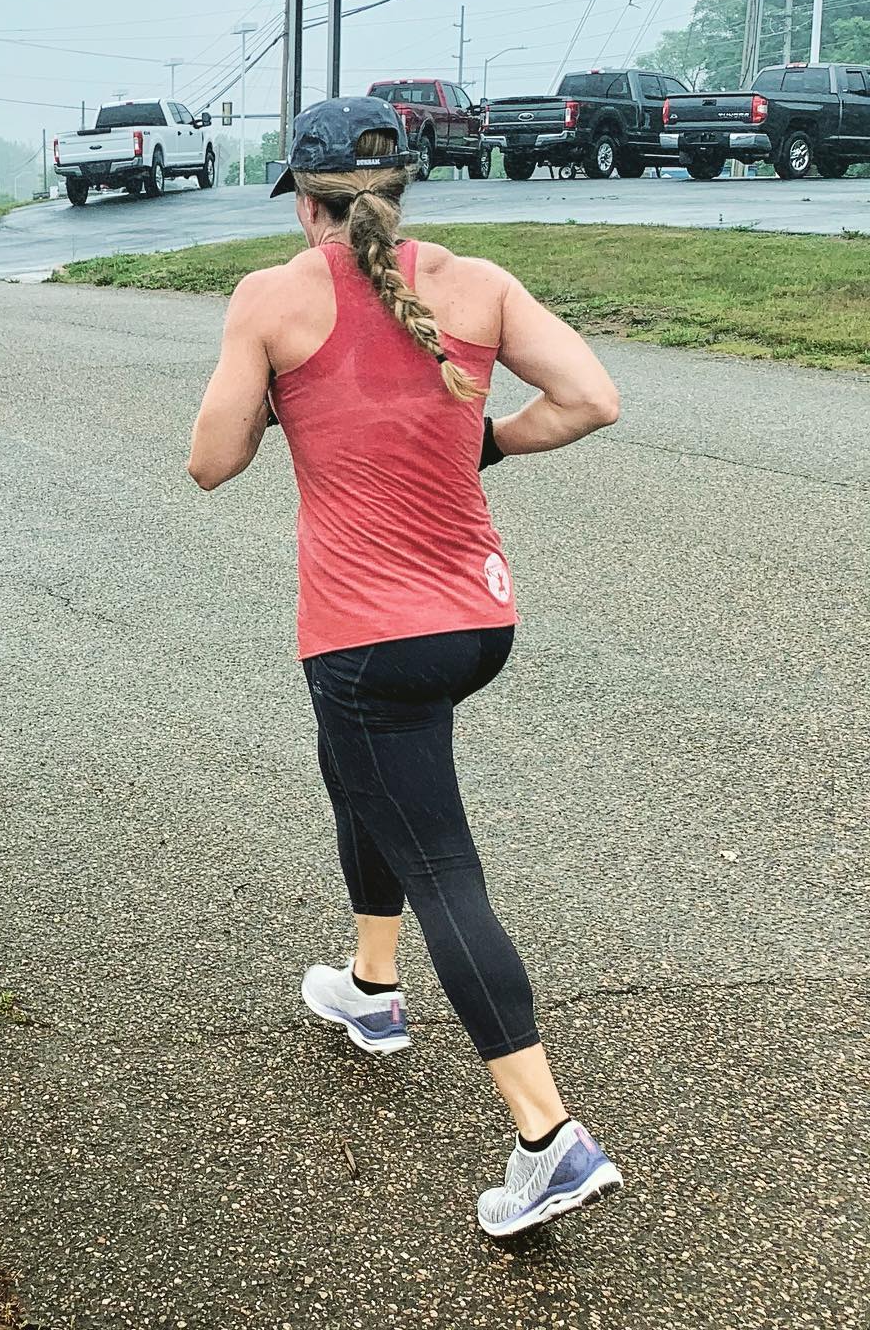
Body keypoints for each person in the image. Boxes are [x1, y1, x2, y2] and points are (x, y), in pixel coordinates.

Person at [187, 96, 623, 1238]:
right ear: (403, 190)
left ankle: (549, 1137)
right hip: (477, 621)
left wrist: (277, 395)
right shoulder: (478, 285)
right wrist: (485, 441)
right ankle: (370, 989)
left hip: (368, 639)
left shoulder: (272, 298)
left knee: (443, 871)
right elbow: (592, 399)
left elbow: (210, 462)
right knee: (361, 780)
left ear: (304, 200)